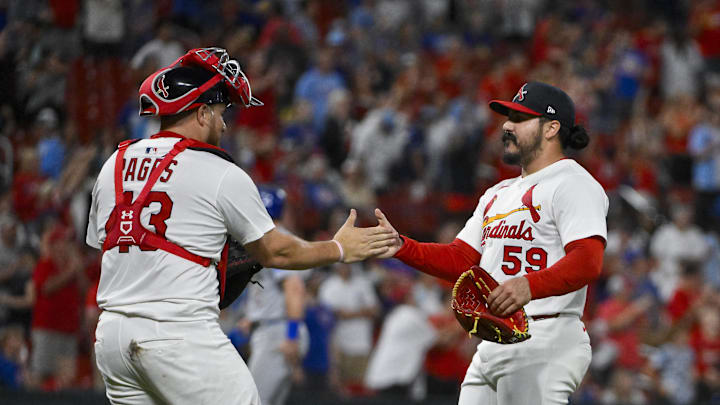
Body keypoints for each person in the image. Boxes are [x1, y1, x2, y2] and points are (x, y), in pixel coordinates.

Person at [86, 47, 394, 405]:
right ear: (201, 113)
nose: (224, 123)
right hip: (177, 332)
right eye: (220, 113)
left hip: (112, 339)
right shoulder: (219, 171)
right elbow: (276, 250)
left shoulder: (114, 162)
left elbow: (108, 243)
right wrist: (339, 249)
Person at [376, 81, 609, 404]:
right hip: (495, 339)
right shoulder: (497, 194)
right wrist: (401, 246)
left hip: (545, 334)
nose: (507, 125)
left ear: (552, 128)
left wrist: (528, 285)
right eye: (508, 116)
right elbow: (461, 259)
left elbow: (588, 260)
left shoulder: (573, 183)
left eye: (520, 118)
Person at [244, 186, 308, 405]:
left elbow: (295, 288)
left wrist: (290, 336)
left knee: (251, 401)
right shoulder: (277, 239)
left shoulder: (276, 241)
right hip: (276, 328)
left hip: (278, 331)